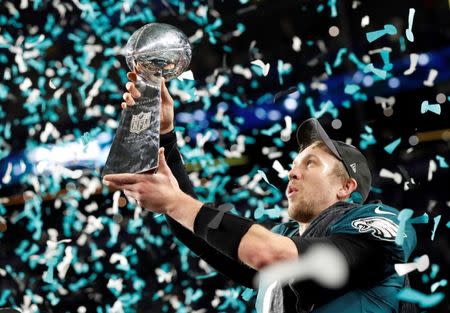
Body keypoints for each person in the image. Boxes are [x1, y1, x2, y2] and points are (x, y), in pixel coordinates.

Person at [103, 72, 417, 313]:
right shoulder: (284, 236)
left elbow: (273, 254)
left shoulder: (378, 227)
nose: (292, 172)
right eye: (294, 164)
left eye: (310, 164)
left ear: (346, 187)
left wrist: (176, 202)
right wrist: (165, 135)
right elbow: (200, 232)